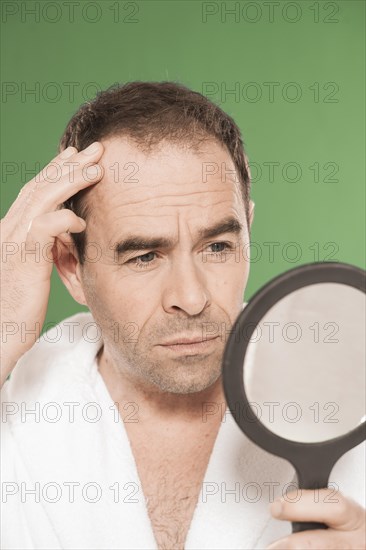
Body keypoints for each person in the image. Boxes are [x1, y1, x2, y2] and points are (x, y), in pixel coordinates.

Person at [1, 81, 365, 550]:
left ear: (248, 234)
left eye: (217, 246)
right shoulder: (19, 430)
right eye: (145, 257)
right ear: (72, 267)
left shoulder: (346, 401)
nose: (191, 298)